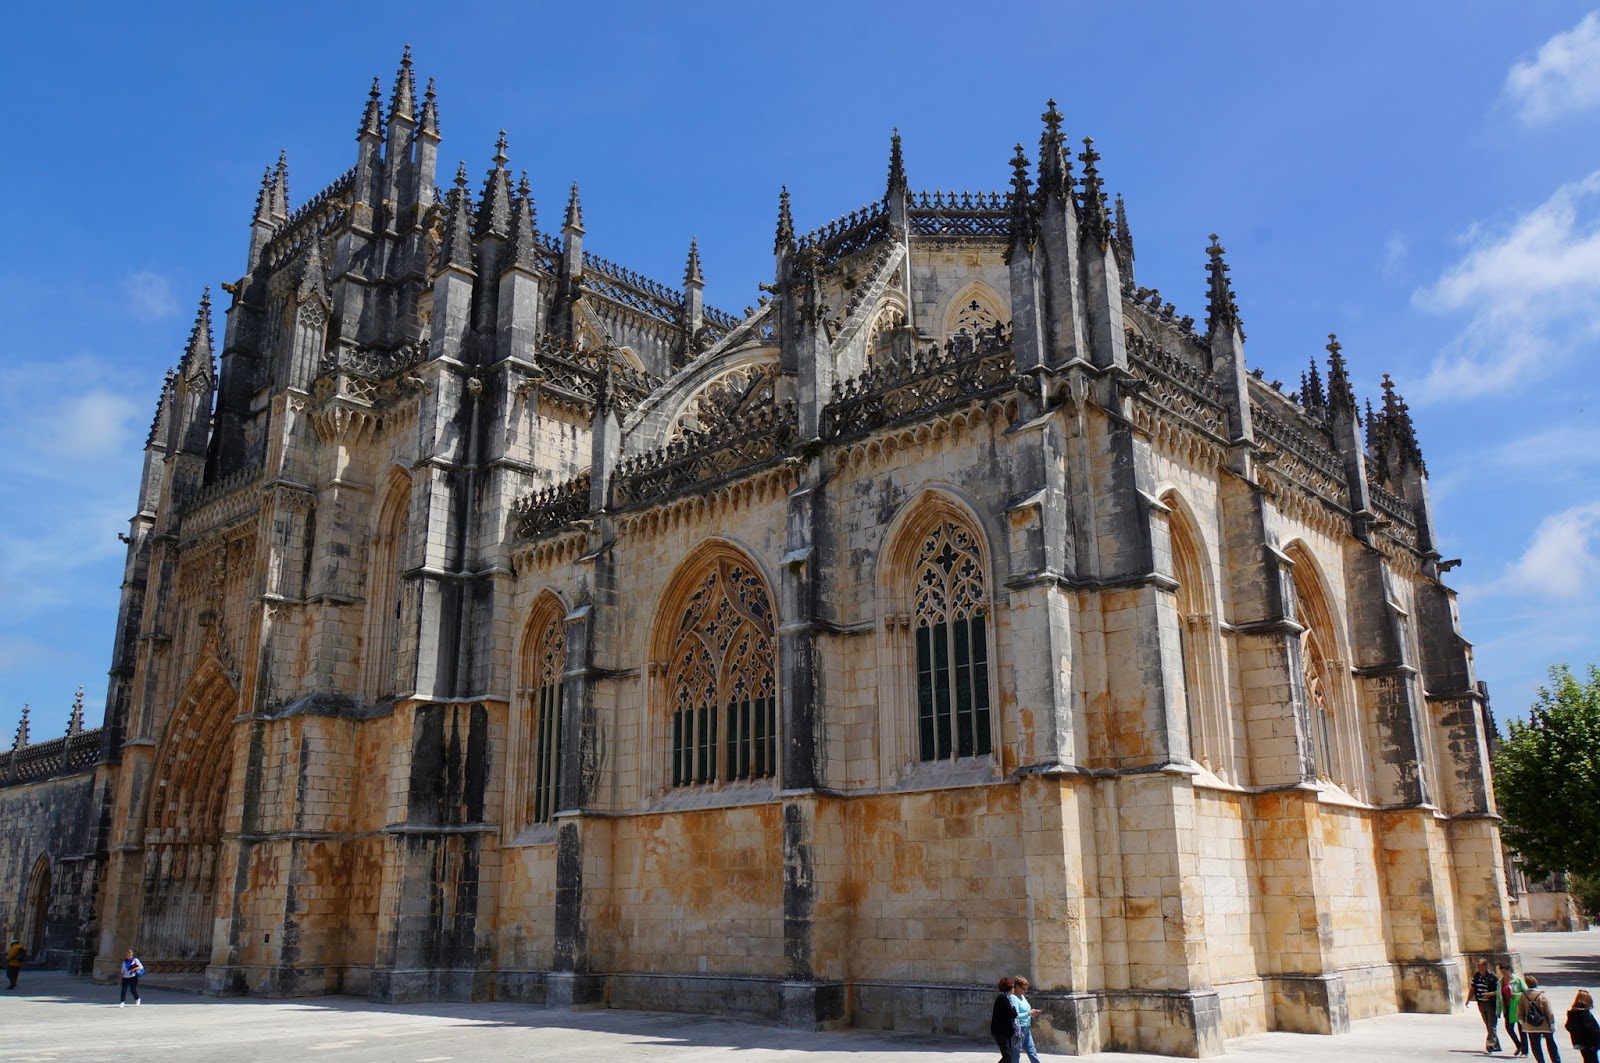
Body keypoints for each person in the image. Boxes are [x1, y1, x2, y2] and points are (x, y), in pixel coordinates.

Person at [1521, 975, 1561, 1063]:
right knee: (1551, 1044)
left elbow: (1520, 1012)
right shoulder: (1542, 995)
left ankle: (1540, 1061)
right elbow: (1549, 1012)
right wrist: (1552, 1024)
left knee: (1535, 1046)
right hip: (1544, 1024)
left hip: (1530, 1025)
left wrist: (1523, 1023)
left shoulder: (1523, 995)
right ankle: (1556, 1061)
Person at [1008, 975, 1043, 1063]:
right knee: (1016, 1054)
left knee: (1032, 1051)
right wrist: (1028, 1013)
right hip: (1018, 1029)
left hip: (1026, 1028)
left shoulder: (1022, 997)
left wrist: (1032, 1013)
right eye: (1023, 989)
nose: (1025, 991)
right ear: (1017, 987)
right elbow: (1014, 1015)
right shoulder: (1013, 998)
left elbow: (1026, 1010)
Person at [1472, 958, 1504, 1052]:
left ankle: (1489, 1044)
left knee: (1492, 1025)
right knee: (1488, 1024)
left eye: (1480, 966)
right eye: (1477, 965)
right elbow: (1473, 988)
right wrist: (1468, 999)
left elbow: (1499, 990)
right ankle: (1496, 1045)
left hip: (1491, 1003)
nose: (1478, 967)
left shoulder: (1492, 977)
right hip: (1481, 1003)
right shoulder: (1477, 976)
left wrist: (1489, 995)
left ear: (1485, 966)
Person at [1500, 963, 1529, 1057]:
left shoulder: (1517, 980)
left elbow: (1526, 992)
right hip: (1507, 1008)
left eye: (1505, 971)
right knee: (1509, 1028)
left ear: (1509, 970)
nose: (1503, 973)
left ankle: (1525, 1051)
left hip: (1518, 1007)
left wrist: (1517, 995)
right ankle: (1519, 1045)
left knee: (1522, 1030)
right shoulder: (1501, 981)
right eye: (1502, 972)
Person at [989, 976, 1019, 1063]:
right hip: (1000, 1032)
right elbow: (1012, 1013)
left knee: (1009, 1055)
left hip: (1005, 1032)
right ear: (1010, 988)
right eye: (1013, 987)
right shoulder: (1002, 998)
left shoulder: (1006, 998)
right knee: (1008, 1056)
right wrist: (1013, 1009)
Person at [1564, 989, 1599, 1063]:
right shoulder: (1585, 1014)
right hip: (1589, 1044)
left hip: (1580, 1043)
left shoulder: (1573, 1013)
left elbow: (1568, 1026)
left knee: (1586, 1059)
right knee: (1593, 1060)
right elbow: (1591, 1030)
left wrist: (1577, 1034)